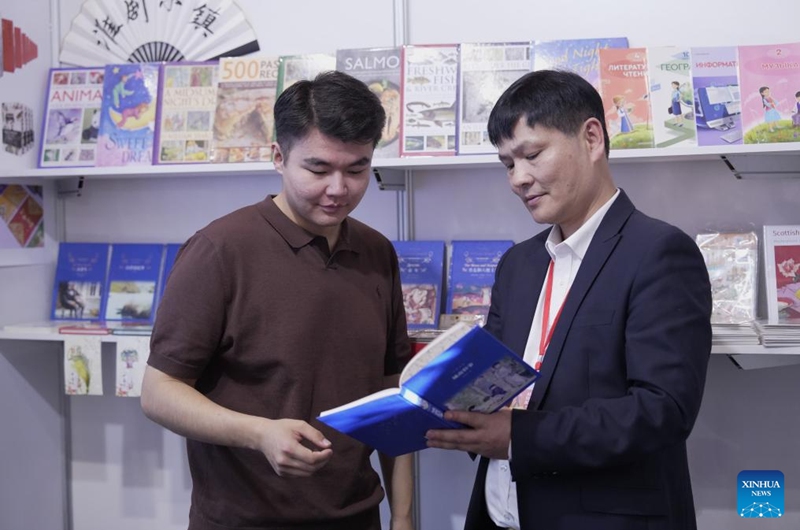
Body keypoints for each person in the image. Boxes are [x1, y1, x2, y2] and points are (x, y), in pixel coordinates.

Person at [425, 70, 712, 530]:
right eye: (507, 164)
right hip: (499, 515)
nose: (518, 179)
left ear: (592, 137)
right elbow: (495, 384)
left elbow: (663, 410)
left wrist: (519, 437)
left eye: (532, 155)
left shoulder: (658, 252)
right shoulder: (517, 265)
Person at [141, 71, 414, 530]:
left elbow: (393, 396)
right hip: (241, 520)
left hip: (358, 514)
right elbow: (158, 393)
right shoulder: (220, 249)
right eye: (318, 168)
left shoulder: (377, 252)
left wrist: (404, 516)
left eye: (357, 168)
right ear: (278, 157)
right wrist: (259, 434)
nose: (338, 189)